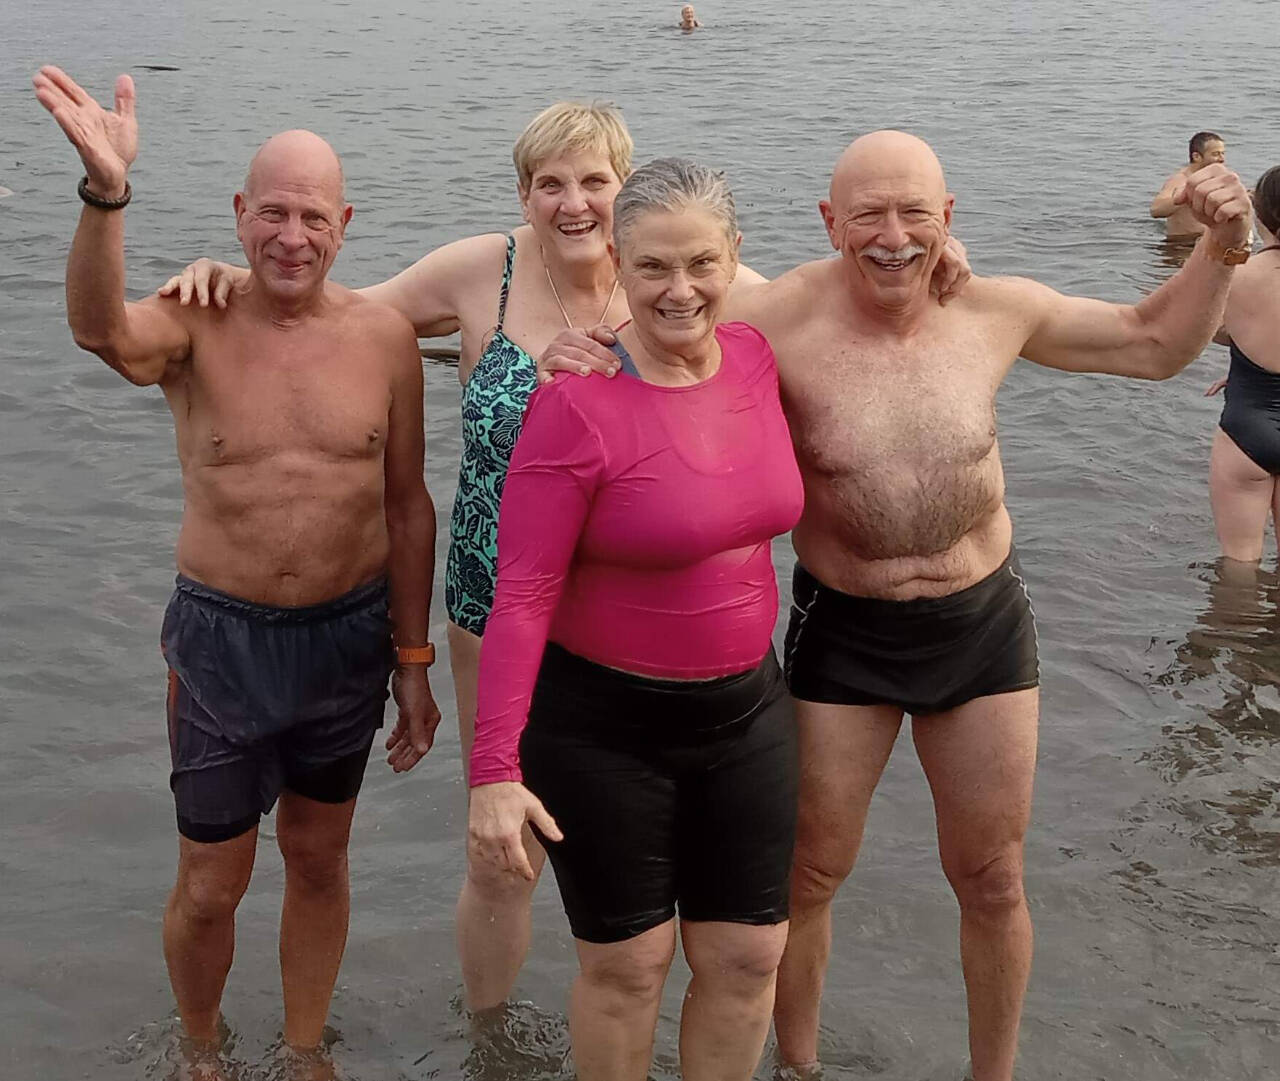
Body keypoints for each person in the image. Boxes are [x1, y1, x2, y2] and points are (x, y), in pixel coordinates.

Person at [158, 107, 972, 1016]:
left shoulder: (691, 274)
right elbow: (321, 307)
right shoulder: (480, 271)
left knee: (634, 855)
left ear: (627, 194)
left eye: (594, 182)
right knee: (504, 852)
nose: (573, 202)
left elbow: (833, 301)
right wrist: (228, 279)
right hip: (493, 593)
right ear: (524, 193)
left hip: (626, 611)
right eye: (551, 182)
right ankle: (491, 1037)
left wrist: (929, 260)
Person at [541, 129, 1252, 1081]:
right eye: (868, 214)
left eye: (916, 212)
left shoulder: (996, 308)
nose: (893, 236)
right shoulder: (772, 319)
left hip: (981, 626)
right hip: (846, 625)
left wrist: (1224, 248)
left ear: (949, 218)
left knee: (993, 878)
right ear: (828, 222)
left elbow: (1157, 345)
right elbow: (666, 272)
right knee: (809, 878)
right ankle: (800, 1065)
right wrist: (582, 346)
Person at [32, 66, 440, 1078]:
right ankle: (202, 1048)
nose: (290, 236)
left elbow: (405, 505)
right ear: (238, 213)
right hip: (221, 641)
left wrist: (414, 658)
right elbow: (99, 331)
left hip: (345, 641)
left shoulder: (384, 338)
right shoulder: (195, 318)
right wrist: (105, 192)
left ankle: (305, 1050)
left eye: (311, 215)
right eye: (271, 213)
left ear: (343, 221)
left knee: (318, 857)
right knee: (211, 882)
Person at [467, 157, 804, 1081]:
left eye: (701, 262)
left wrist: (946, 259)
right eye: (652, 266)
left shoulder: (759, 359)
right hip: (602, 730)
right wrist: (494, 771)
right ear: (617, 261)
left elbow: (870, 281)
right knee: (627, 968)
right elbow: (522, 593)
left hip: (747, 715)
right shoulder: (575, 402)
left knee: (747, 957)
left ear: (734, 258)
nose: (680, 288)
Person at [1204, 166, 1280, 562]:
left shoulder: (1238, 272)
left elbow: (1208, 331)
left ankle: (1233, 625)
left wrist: (1244, 369)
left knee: (1239, 560)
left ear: (1261, 213)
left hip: (1247, 423)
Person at [1151, 131, 1228, 239]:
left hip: (1209, 242)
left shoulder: (1218, 178)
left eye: (1223, 153)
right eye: (1215, 154)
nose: (1222, 159)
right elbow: (1156, 210)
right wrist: (1185, 195)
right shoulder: (1181, 180)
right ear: (1196, 156)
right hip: (1181, 245)